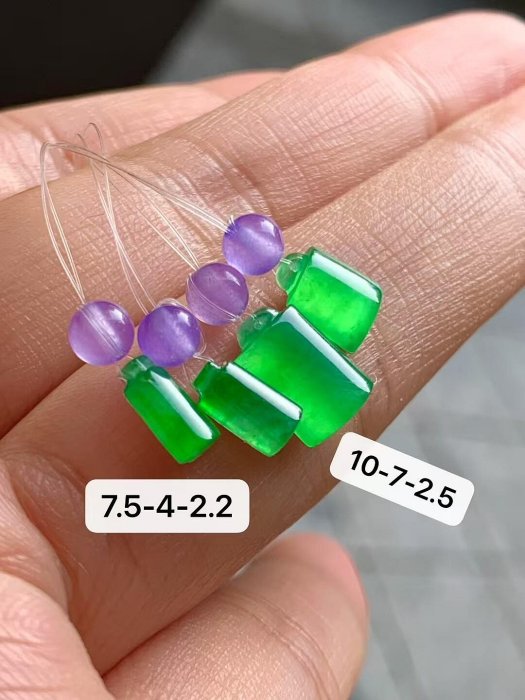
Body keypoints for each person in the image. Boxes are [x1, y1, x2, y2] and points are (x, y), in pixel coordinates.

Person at [0, 11, 523, 698]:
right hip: (224, 354)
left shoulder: (215, 340)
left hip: (243, 337)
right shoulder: (181, 366)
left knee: (264, 365)